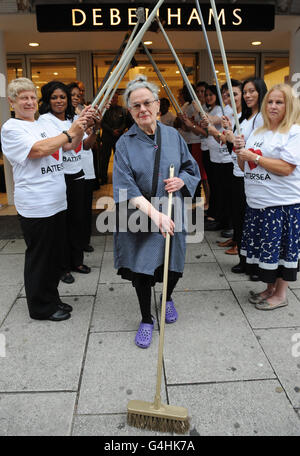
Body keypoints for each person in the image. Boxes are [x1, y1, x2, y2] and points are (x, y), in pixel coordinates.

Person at [113, 75, 200, 349]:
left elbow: (190, 168)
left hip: (173, 210)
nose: (142, 110)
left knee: (174, 264)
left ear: (157, 105)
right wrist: (156, 215)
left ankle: (168, 297)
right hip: (141, 212)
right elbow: (125, 188)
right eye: (135, 106)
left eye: (146, 103)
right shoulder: (124, 144)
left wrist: (183, 180)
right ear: (130, 111)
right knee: (142, 270)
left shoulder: (173, 136)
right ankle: (146, 319)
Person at [1, 77, 87, 321]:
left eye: (31, 97)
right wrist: (69, 133)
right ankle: (41, 308)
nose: (28, 102)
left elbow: (69, 147)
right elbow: (39, 150)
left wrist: (80, 129)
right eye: (22, 98)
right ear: (12, 102)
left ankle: (52, 298)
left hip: (57, 202)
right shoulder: (11, 128)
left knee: (54, 257)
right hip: (36, 205)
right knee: (40, 258)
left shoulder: (43, 124)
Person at [233, 83, 300, 310]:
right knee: (267, 253)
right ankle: (270, 289)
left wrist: (256, 157)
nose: (272, 106)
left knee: (281, 253)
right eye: (270, 102)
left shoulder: (294, 132)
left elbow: (286, 168)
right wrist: (240, 153)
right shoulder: (258, 132)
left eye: (279, 102)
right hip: (257, 204)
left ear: (289, 105)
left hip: (281, 206)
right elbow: (245, 167)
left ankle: (280, 295)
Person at [38, 81, 93, 284]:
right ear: (47, 100)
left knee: (77, 221)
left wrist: (87, 125)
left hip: (77, 175)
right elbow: (67, 146)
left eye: (62, 97)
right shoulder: (45, 120)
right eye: (54, 97)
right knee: (60, 226)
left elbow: (78, 144)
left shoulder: (72, 118)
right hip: (58, 178)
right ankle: (62, 268)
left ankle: (76, 261)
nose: (59, 101)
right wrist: (79, 126)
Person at [229, 77, 268, 279]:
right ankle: (245, 261)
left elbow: (260, 148)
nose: (247, 95)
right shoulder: (244, 117)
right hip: (239, 172)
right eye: (245, 92)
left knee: (252, 222)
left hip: (254, 176)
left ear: (261, 92)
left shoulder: (261, 117)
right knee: (242, 219)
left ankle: (256, 266)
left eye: (252, 91)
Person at [68, 82, 101, 253]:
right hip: (70, 172)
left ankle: (83, 241)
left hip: (86, 169)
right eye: (72, 94)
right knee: (74, 212)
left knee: (85, 209)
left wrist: (94, 128)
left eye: (78, 94)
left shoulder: (82, 114)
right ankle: (74, 245)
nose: (76, 97)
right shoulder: (64, 118)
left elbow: (87, 145)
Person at [100, 91, 128, 185]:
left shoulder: (122, 110)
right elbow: (102, 123)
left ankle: (120, 178)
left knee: (119, 160)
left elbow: (125, 122)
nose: (114, 100)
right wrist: (112, 131)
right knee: (104, 158)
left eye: (115, 98)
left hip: (118, 138)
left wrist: (119, 130)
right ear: (108, 99)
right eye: (112, 98)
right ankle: (103, 178)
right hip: (107, 137)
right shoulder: (104, 110)